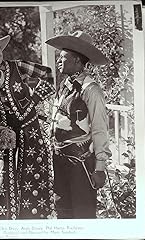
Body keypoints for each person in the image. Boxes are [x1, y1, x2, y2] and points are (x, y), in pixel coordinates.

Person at [0, 34, 56, 220]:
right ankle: (7, 218)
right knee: (5, 171)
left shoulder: (17, 66)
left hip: (29, 127)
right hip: (6, 133)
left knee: (33, 171)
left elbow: (47, 73)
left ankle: (33, 216)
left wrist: (33, 100)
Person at [45, 30, 112, 218]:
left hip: (81, 165)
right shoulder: (64, 86)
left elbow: (100, 129)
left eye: (63, 57)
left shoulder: (91, 90)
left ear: (76, 61)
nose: (59, 61)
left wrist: (99, 168)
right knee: (63, 214)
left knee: (83, 215)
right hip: (60, 161)